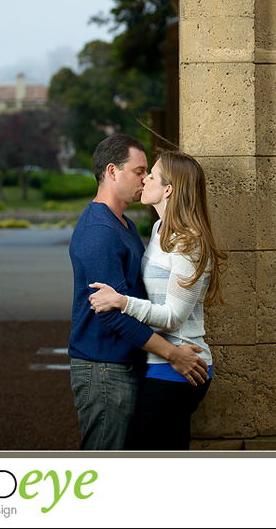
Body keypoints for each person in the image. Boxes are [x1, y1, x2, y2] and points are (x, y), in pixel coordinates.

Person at [68, 135, 209, 451]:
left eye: (149, 173)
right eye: (138, 170)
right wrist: (171, 353)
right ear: (112, 172)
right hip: (104, 367)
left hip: (133, 363)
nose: (145, 178)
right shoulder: (99, 232)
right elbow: (112, 316)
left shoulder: (128, 225)